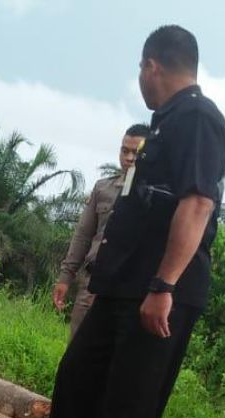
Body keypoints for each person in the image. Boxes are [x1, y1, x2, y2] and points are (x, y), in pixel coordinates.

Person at [8, 25, 225, 418]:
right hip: (120, 286)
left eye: (140, 70)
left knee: (130, 410)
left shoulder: (200, 119)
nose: (140, 79)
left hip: (158, 294)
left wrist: (164, 284)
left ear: (152, 66)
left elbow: (198, 205)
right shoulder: (163, 125)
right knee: (76, 386)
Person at [53, 124, 149, 340]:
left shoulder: (155, 197)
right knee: (76, 357)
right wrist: (65, 277)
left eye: (137, 152)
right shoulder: (103, 189)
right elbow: (83, 235)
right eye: (125, 151)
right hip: (91, 285)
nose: (130, 158)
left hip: (128, 293)